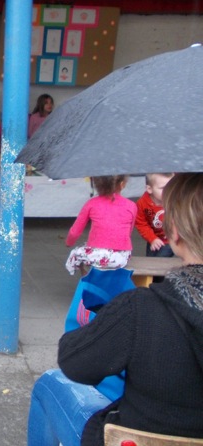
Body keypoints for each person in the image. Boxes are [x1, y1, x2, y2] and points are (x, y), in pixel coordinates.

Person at [28, 172, 203, 446]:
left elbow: (74, 362)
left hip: (130, 438)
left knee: (48, 384)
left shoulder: (139, 308)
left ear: (175, 232)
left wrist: (105, 319)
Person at [65, 175, 137, 275]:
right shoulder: (131, 205)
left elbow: (75, 232)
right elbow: (129, 231)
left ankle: (87, 278)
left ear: (97, 185)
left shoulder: (91, 203)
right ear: (122, 184)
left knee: (76, 253)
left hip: (97, 255)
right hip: (122, 257)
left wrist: (69, 243)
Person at [135, 172, 175, 257]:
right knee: (150, 258)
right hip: (153, 237)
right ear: (149, 189)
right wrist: (152, 238)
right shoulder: (142, 204)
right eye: (163, 188)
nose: (169, 191)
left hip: (170, 239)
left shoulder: (175, 200)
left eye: (171, 187)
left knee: (161, 259)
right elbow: (141, 224)